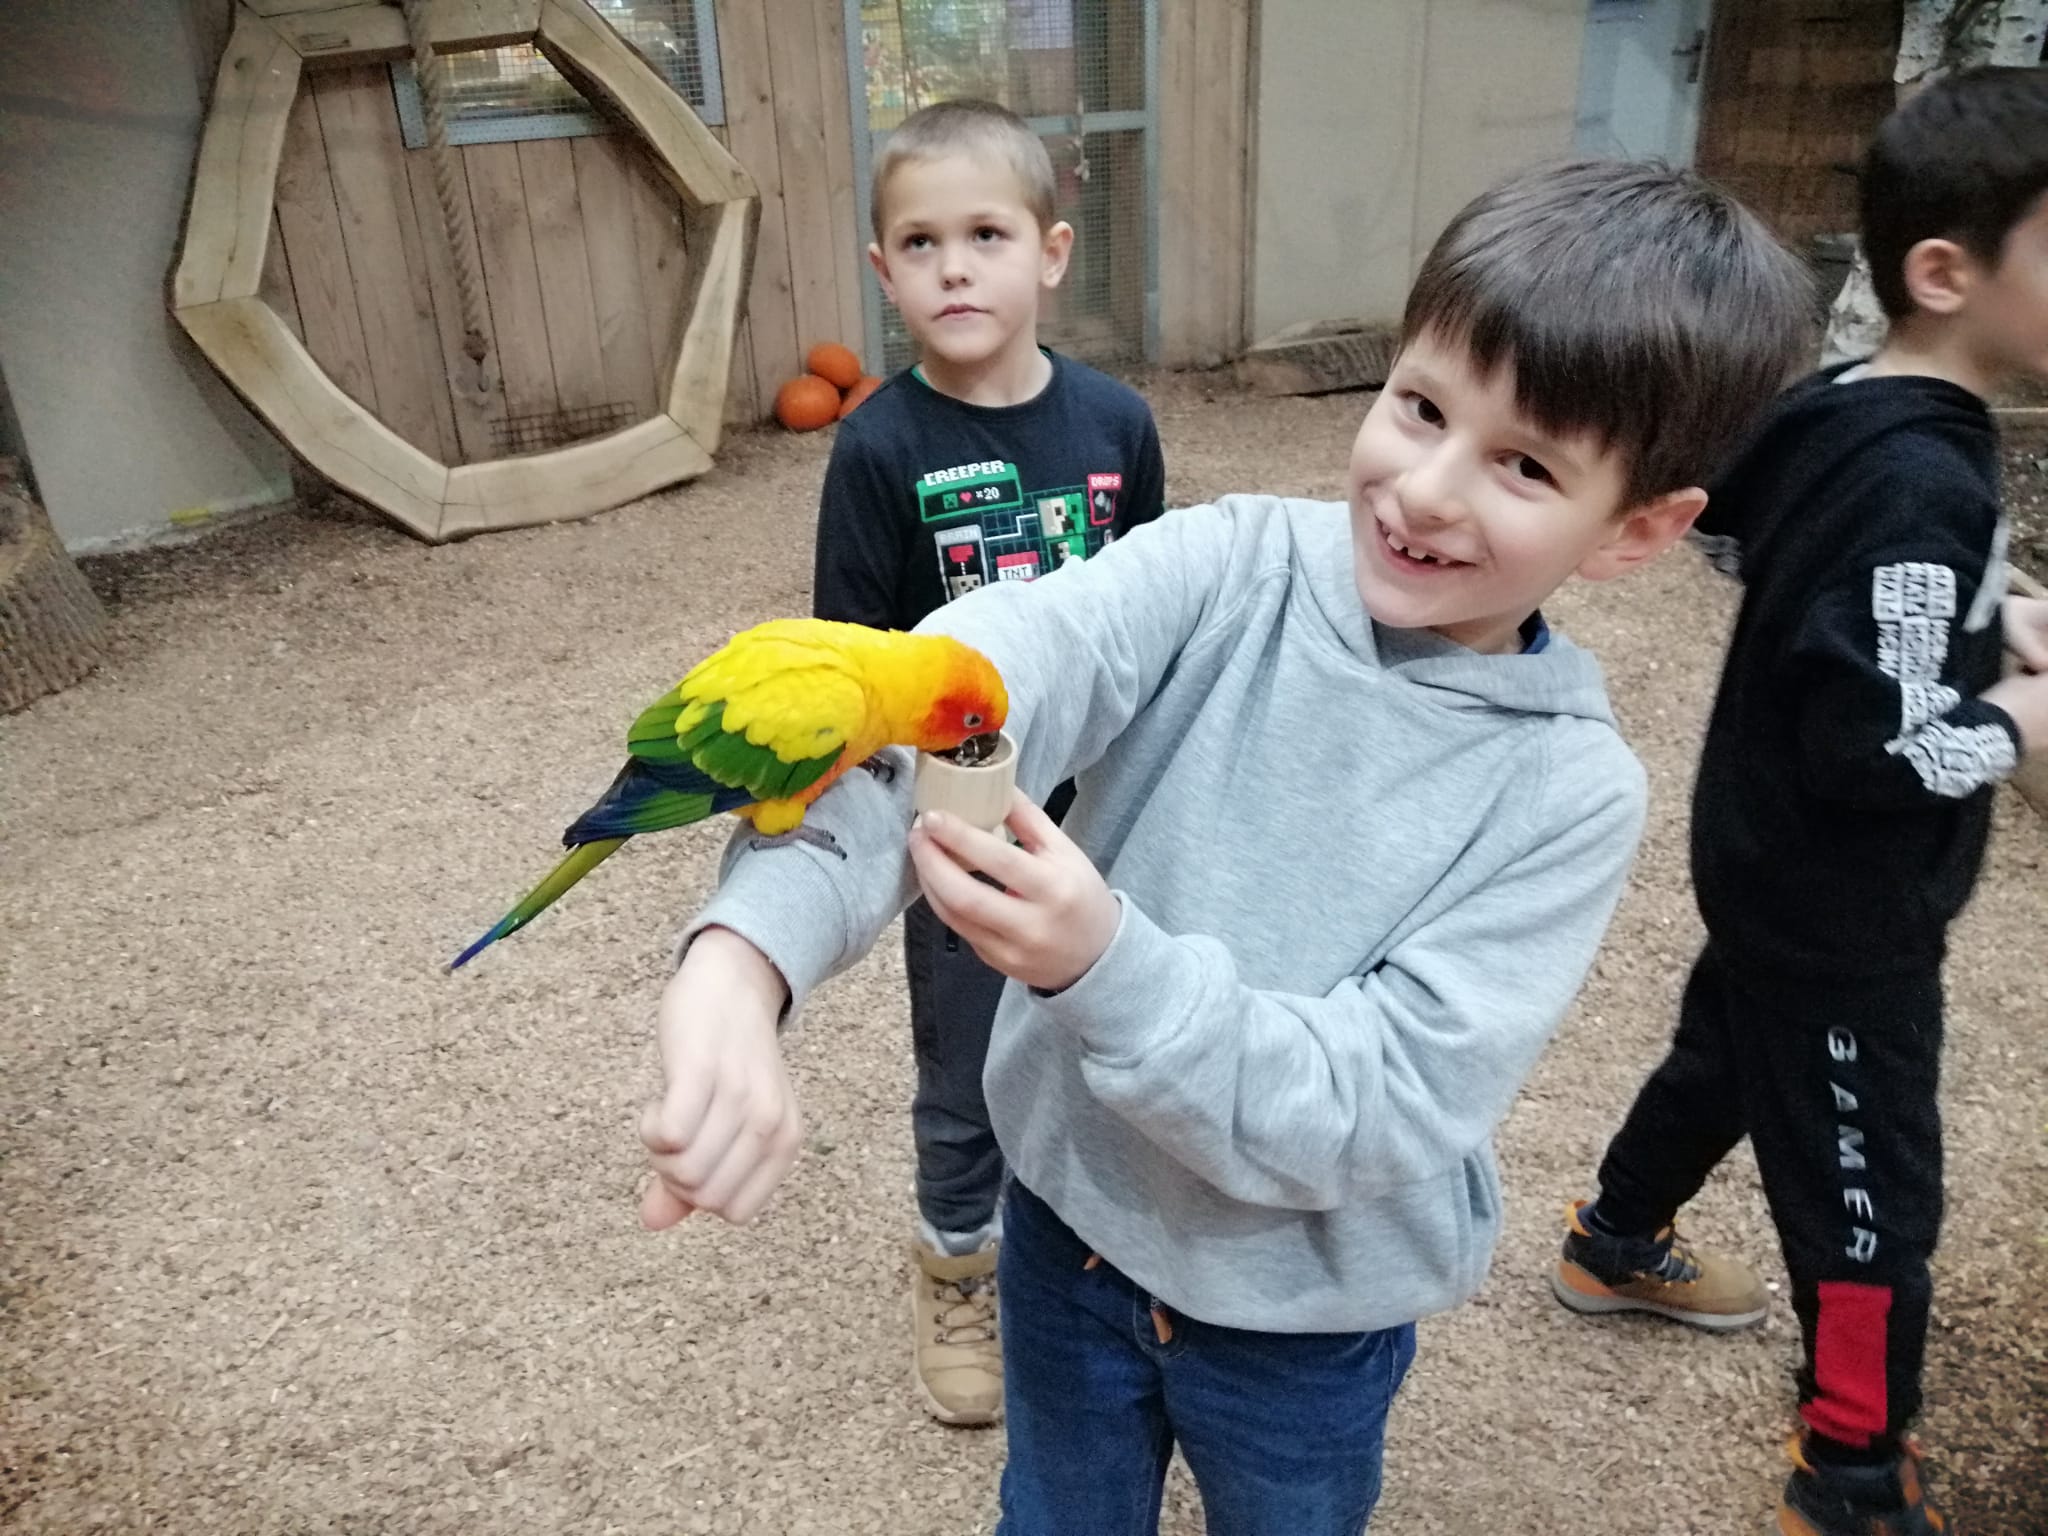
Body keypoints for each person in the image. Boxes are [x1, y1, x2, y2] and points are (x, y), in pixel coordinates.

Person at [637, 159, 1810, 1534]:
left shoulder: (1568, 794)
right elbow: (975, 684)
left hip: (1306, 1321)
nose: (1427, 490)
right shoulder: (1226, 564)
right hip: (1064, 1229)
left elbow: (1382, 1105)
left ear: (1640, 530)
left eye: (1527, 465)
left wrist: (1105, 967)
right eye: (1422, 406)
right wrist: (747, 955)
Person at [1549, 68, 2048, 1536]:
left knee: (1730, 1053)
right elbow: (1878, 750)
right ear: (1946, 272)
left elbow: (1816, 574)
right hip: (1842, 906)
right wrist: (2013, 720)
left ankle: (1613, 1237)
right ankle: (1852, 1471)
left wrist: (1991, 619)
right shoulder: (1920, 483)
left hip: (1772, 867)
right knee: (1869, 1198)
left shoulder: (1851, 410)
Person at [810, 97, 1165, 1426]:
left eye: (986, 235)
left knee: (1109, 1035)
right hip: (961, 821)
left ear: (1052, 252)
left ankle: (1090, 1244)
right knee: (963, 1070)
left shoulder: (1118, 425)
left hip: (1108, 814)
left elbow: (1156, 620)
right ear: (884, 270)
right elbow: (853, 660)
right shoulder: (878, 445)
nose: (954, 268)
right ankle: (958, 1265)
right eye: (921, 243)